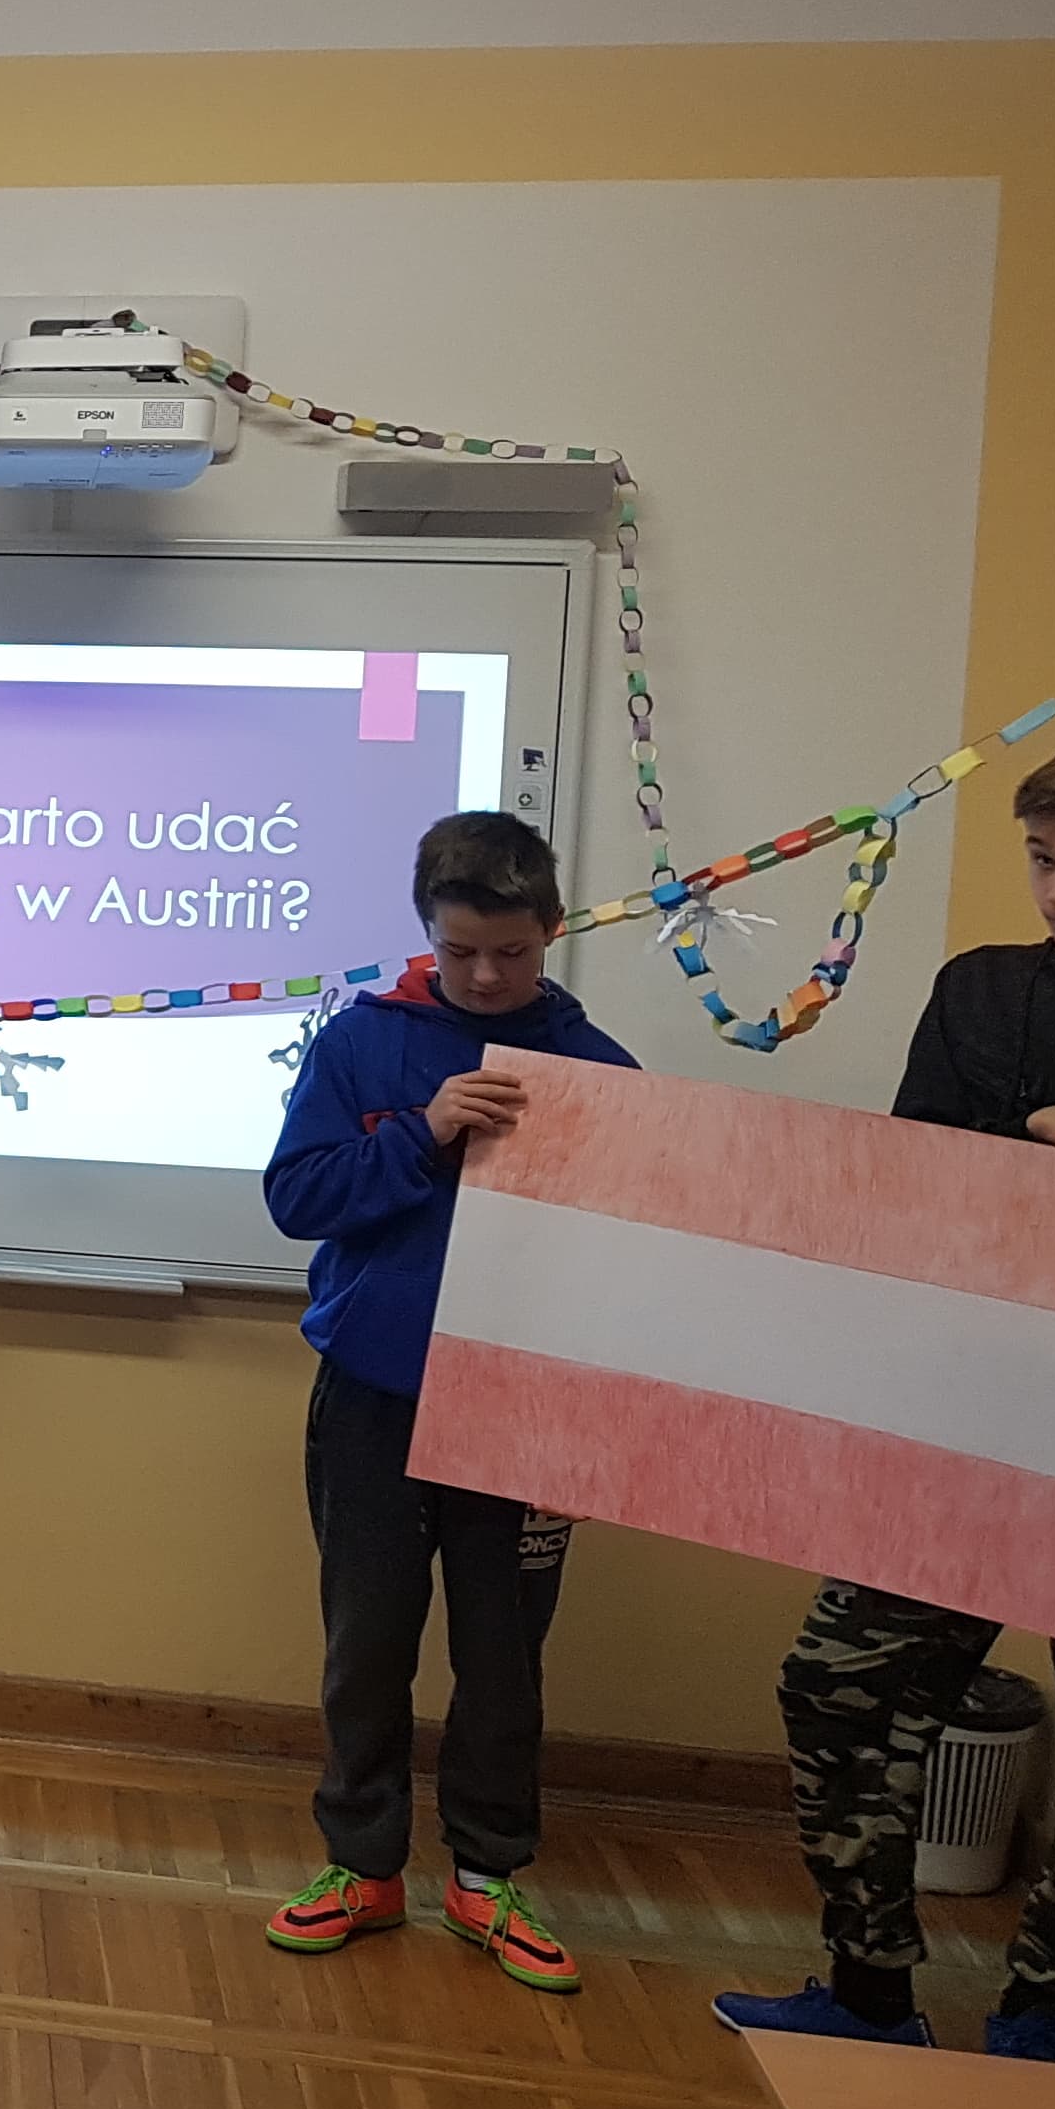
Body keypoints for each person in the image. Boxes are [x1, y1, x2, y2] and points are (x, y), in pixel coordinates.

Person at [718, 729, 1055, 2057]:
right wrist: (1039, 1129)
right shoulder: (984, 993)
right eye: (1043, 859)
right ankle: (870, 1992)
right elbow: (913, 1185)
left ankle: (1041, 2017)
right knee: (838, 1687)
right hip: (965, 1433)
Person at [259, 811, 638, 1994]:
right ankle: (362, 1867)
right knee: (367, 1642)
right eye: (460, 950)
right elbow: (297, 1198)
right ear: (427, 931)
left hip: (526, 1409)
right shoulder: (361, 1042)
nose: (483, 976)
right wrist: (422, 1135)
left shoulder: (599, 1067)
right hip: (374, 1394)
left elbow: (638, 1256)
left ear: (552, 930)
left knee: (505, 1654)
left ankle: (486, 1875)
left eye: (510, 954)